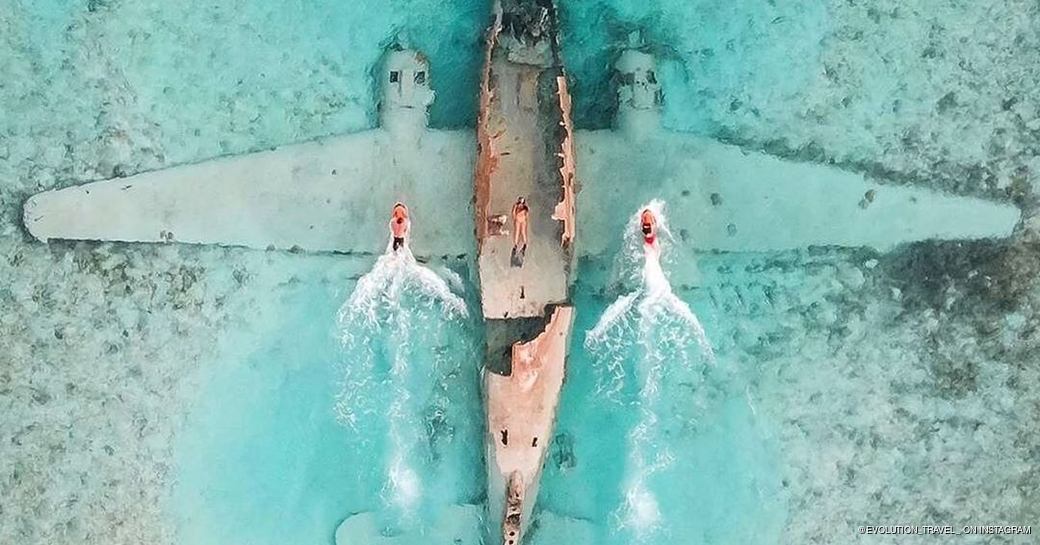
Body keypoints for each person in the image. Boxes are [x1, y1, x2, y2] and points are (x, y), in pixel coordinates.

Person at [511, 196, 529, 266]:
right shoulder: (516, 207)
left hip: (523, 220)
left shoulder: (525, 209)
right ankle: (516, 245)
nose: (521, 205)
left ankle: (524, 244)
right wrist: (514, 218)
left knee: (523, 232)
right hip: (518, 220)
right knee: (517, 232)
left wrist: (525, 220)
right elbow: (513, 213)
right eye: (520, 203)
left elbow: (527, 215)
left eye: (522, 203)